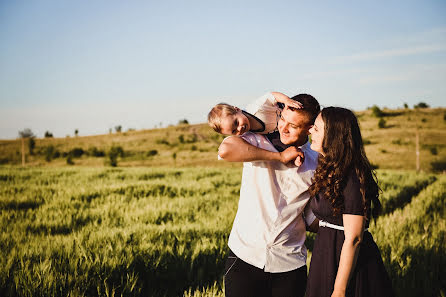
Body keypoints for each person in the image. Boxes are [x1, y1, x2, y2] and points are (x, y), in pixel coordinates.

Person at [217, 94, 320, 297]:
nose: (283, 128)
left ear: (309, 129)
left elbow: (310, 216)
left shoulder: (315, 162)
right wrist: (278, 157)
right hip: (245, 256)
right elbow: (226, 149)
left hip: (290, 264)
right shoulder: (258, 139)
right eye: (283, 119)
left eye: (293, 125)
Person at [306, 107, 394, 297]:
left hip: (346, 263)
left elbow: (354, 238)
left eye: (317, 128)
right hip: (325, 253)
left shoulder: (352, 177)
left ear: (334, 136)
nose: (310, 130)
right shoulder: (327, 167)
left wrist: (340, 289)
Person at [208, 92, 302, 136]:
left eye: (236, 123)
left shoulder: (257, 108)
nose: (239, 129)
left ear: (237, 109)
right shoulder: (247, 133)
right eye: (234, 131)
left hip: (286, 112)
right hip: (280, 129)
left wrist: (287, 100)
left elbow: (272, 95)